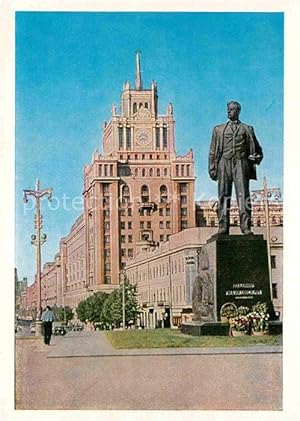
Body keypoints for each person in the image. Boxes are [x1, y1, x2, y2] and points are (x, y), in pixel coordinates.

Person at [208, 101, 263, 235]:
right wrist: (212, 168)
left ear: (238, 111)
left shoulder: (247, 129)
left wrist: (257, 157)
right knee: (223, 195)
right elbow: (213, 151)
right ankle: (223, 227)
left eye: (232, 109)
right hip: (224, 163)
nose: (229, 112)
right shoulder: (218, 130)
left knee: (243, 195)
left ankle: (245, 227)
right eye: (228, 109)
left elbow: (258, 150)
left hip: (241, 163)